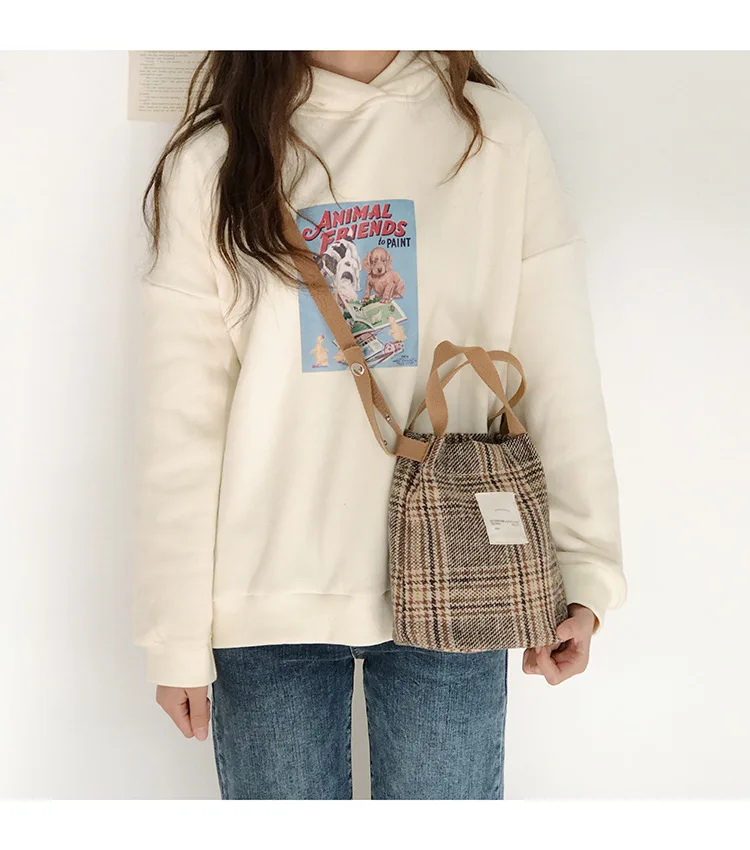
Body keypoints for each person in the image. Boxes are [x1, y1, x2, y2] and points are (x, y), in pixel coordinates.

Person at [134, 50, 628, 801]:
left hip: (462, 579)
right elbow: (183, 422)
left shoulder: (495, 136)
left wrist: (586, 571)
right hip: (268, 601)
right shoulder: (217, 159)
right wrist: (174, 634)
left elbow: (556, 370)